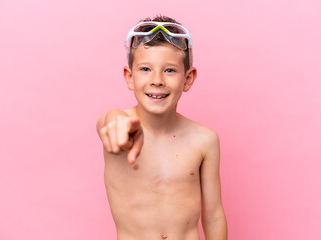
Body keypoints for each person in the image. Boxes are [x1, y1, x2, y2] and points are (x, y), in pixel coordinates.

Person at [96, 15, 227, 240]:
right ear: (129, 77)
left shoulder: (204, 140)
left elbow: (213, 216)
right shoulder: (120, 128)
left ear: (188, 78)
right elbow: (109, 122)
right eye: (145, 69)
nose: (157, 80)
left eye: (169, 70)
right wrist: (117, 122)